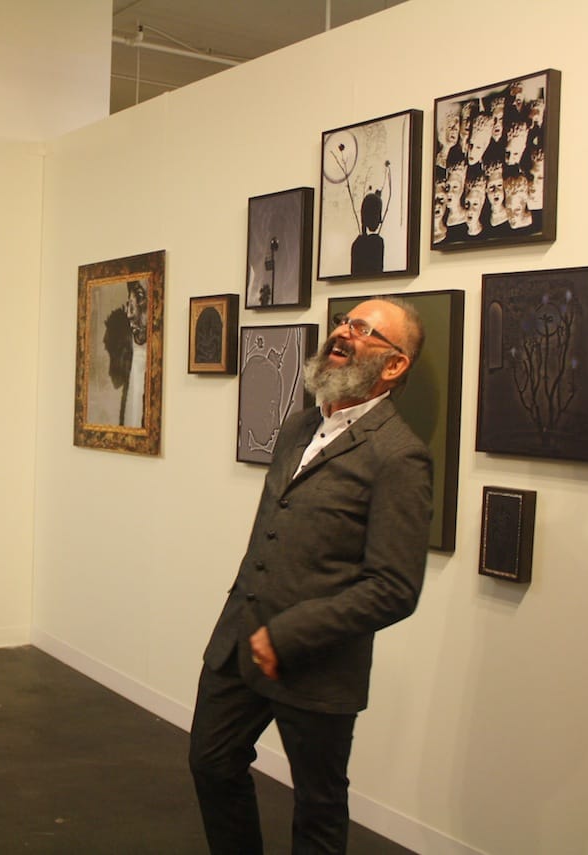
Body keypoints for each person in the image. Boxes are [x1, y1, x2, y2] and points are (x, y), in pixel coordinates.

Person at [189, 297, 433, 855]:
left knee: (318, 807)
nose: (343, 333)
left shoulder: (400, 456)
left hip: (317, 663)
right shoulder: (300, 425)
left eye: (364, 329)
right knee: (211, 763)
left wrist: (288, 634)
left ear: (394, 366)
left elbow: (394, 587)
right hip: (238, 642)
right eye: (345, 321)